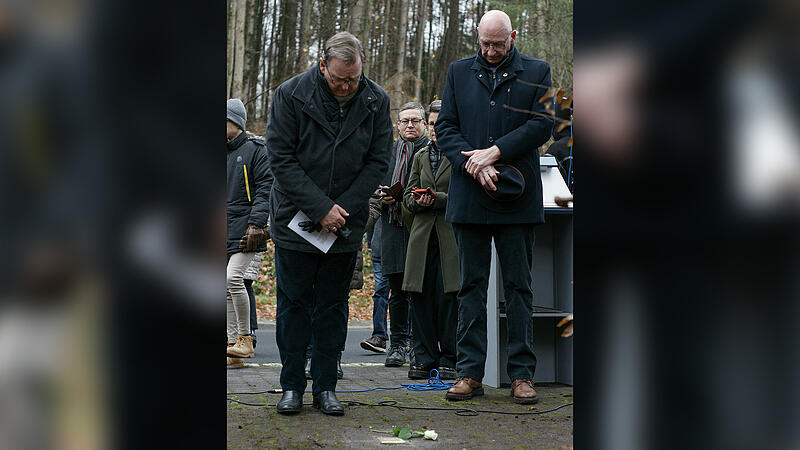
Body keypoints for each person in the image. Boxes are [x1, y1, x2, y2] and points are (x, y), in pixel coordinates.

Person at [266, 31, 392, 416]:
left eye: (352, 80)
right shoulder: (290, 94)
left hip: (345, 224)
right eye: (339, 79)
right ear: (323, 66)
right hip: (296, 220)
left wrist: (343, 210)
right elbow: (281, 158)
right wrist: (320, 207)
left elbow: (378, 161)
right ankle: (291, 386)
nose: (345, 87)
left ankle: (325, 387)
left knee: (333, 308)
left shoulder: (375, 100)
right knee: (293, 306)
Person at [435, 10, 554, 405]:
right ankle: (469, 373)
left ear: (513, 37)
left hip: (516, 198)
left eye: (498, 44)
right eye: (484, 43)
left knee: (519, 287)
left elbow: (546, 123)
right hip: (470, 195)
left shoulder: (539, 70)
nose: (490, 51)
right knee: (470, 286)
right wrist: (473, 164)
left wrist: (496, 153)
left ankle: (521, 375)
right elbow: (445, 128)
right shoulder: (457, 71)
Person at [401, 100, 459, 380]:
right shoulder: (421, 156)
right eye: (433, 124)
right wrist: (415, 200)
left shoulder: (463, 155)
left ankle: (450, 357)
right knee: (420, 296)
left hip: (450, 236)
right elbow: (406, 198)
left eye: (441, 124)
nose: (436, 129)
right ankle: (424, 358)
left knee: (449, 297)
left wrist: (439, 199)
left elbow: (466, 197)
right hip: (422, 238)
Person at [378, 101, 430, 367]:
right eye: (405, 121)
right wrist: (379, 196)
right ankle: (396, 344)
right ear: (397, 125)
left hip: (422, 227)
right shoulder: (388, 151)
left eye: (415, 121)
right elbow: (372, 182)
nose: (410, 125)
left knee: (421, 290)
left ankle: (419, 345)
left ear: (424, 124)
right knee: (396, 290)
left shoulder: (431, 151)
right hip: (392, 226)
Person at [226, 98, 272, 366]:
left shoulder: (257, 150)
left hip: (247, 230)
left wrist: (257, 224)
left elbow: (266, 188)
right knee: (223, 287)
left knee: (233, 279)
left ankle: (245, 338)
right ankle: (233, 348)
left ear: (236, 122)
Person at [360, 193, 389, 353]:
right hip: (379, 245)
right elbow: (372, 207)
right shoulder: (377, 171)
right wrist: (370, 242)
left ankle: (407, 339)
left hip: (401, 243)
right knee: (380, 292)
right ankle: (379, 336)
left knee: (406, 295)